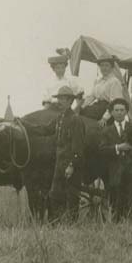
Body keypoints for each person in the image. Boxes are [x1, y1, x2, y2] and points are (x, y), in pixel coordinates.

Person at [29, 86, 86, 221]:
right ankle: (57, 225)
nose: (59, 101)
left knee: (71, 197)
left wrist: (72, 165)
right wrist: (25, 125)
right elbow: (45, 130)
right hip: (59, 164)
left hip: (71, 165)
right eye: (59, 98)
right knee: (55, 195)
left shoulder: (75, 120)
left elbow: (78, 147)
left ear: (70, 101)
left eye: (63, 99)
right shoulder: (60, 118)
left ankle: (72, 227)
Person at [98, 98, 132, 220]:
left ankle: (129, 221)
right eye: (116, 110)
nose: (119, 113)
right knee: (116, 201)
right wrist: (118, 147)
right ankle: (116, 223)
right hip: (114, 171)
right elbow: (102, 150)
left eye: (122, 110)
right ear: (111, 113)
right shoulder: (106, 131)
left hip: (131, 170)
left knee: (131, 200)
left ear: (126, 111)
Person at [80, 56, 126, 127]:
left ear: (112, 67)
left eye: (107, 65)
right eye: (102, 65)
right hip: (98, 107)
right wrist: (82, 107)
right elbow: (91, 96)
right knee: (82, 112)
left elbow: (115, 103)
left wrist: (104, 118)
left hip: (108, 110)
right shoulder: (98, 81)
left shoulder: (114, 82)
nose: (104, 68)